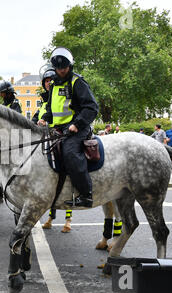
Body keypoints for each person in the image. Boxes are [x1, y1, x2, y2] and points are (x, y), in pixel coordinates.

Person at [39, 47, 99, 208]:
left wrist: (76, 125)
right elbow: (52, 109)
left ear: (69, 66)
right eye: (58, 68)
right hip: (59, 129)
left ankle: (86, 195)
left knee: (70, 153)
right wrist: (45, 118)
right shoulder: (53, 86)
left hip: (77, 128)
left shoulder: (77, 82)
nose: (61, 71)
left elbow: (92, 107)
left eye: (64, 68)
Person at [34, 68, 73, 231]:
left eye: (51, 80)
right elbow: (36, 118)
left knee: (67, 169)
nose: (48, 83)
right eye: (46, 81)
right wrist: (40, 121)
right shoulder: (44, 101)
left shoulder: (64, 92)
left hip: (63, 135)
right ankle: (51, 216)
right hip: (46, 140)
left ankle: (68, 219)